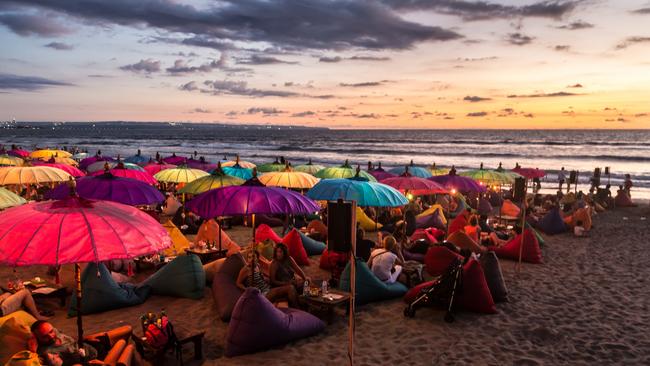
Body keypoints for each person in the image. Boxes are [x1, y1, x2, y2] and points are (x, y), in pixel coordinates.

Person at [31, 320, 98, 365]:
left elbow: (73, 341)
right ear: (37, 338)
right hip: (93, 360)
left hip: (89, 345)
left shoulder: (55, 332)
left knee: (106, 334)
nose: (51, 336)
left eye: (51, 331)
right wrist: (33, 350)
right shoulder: (47, 353)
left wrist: (86, 338)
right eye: (45, 336)